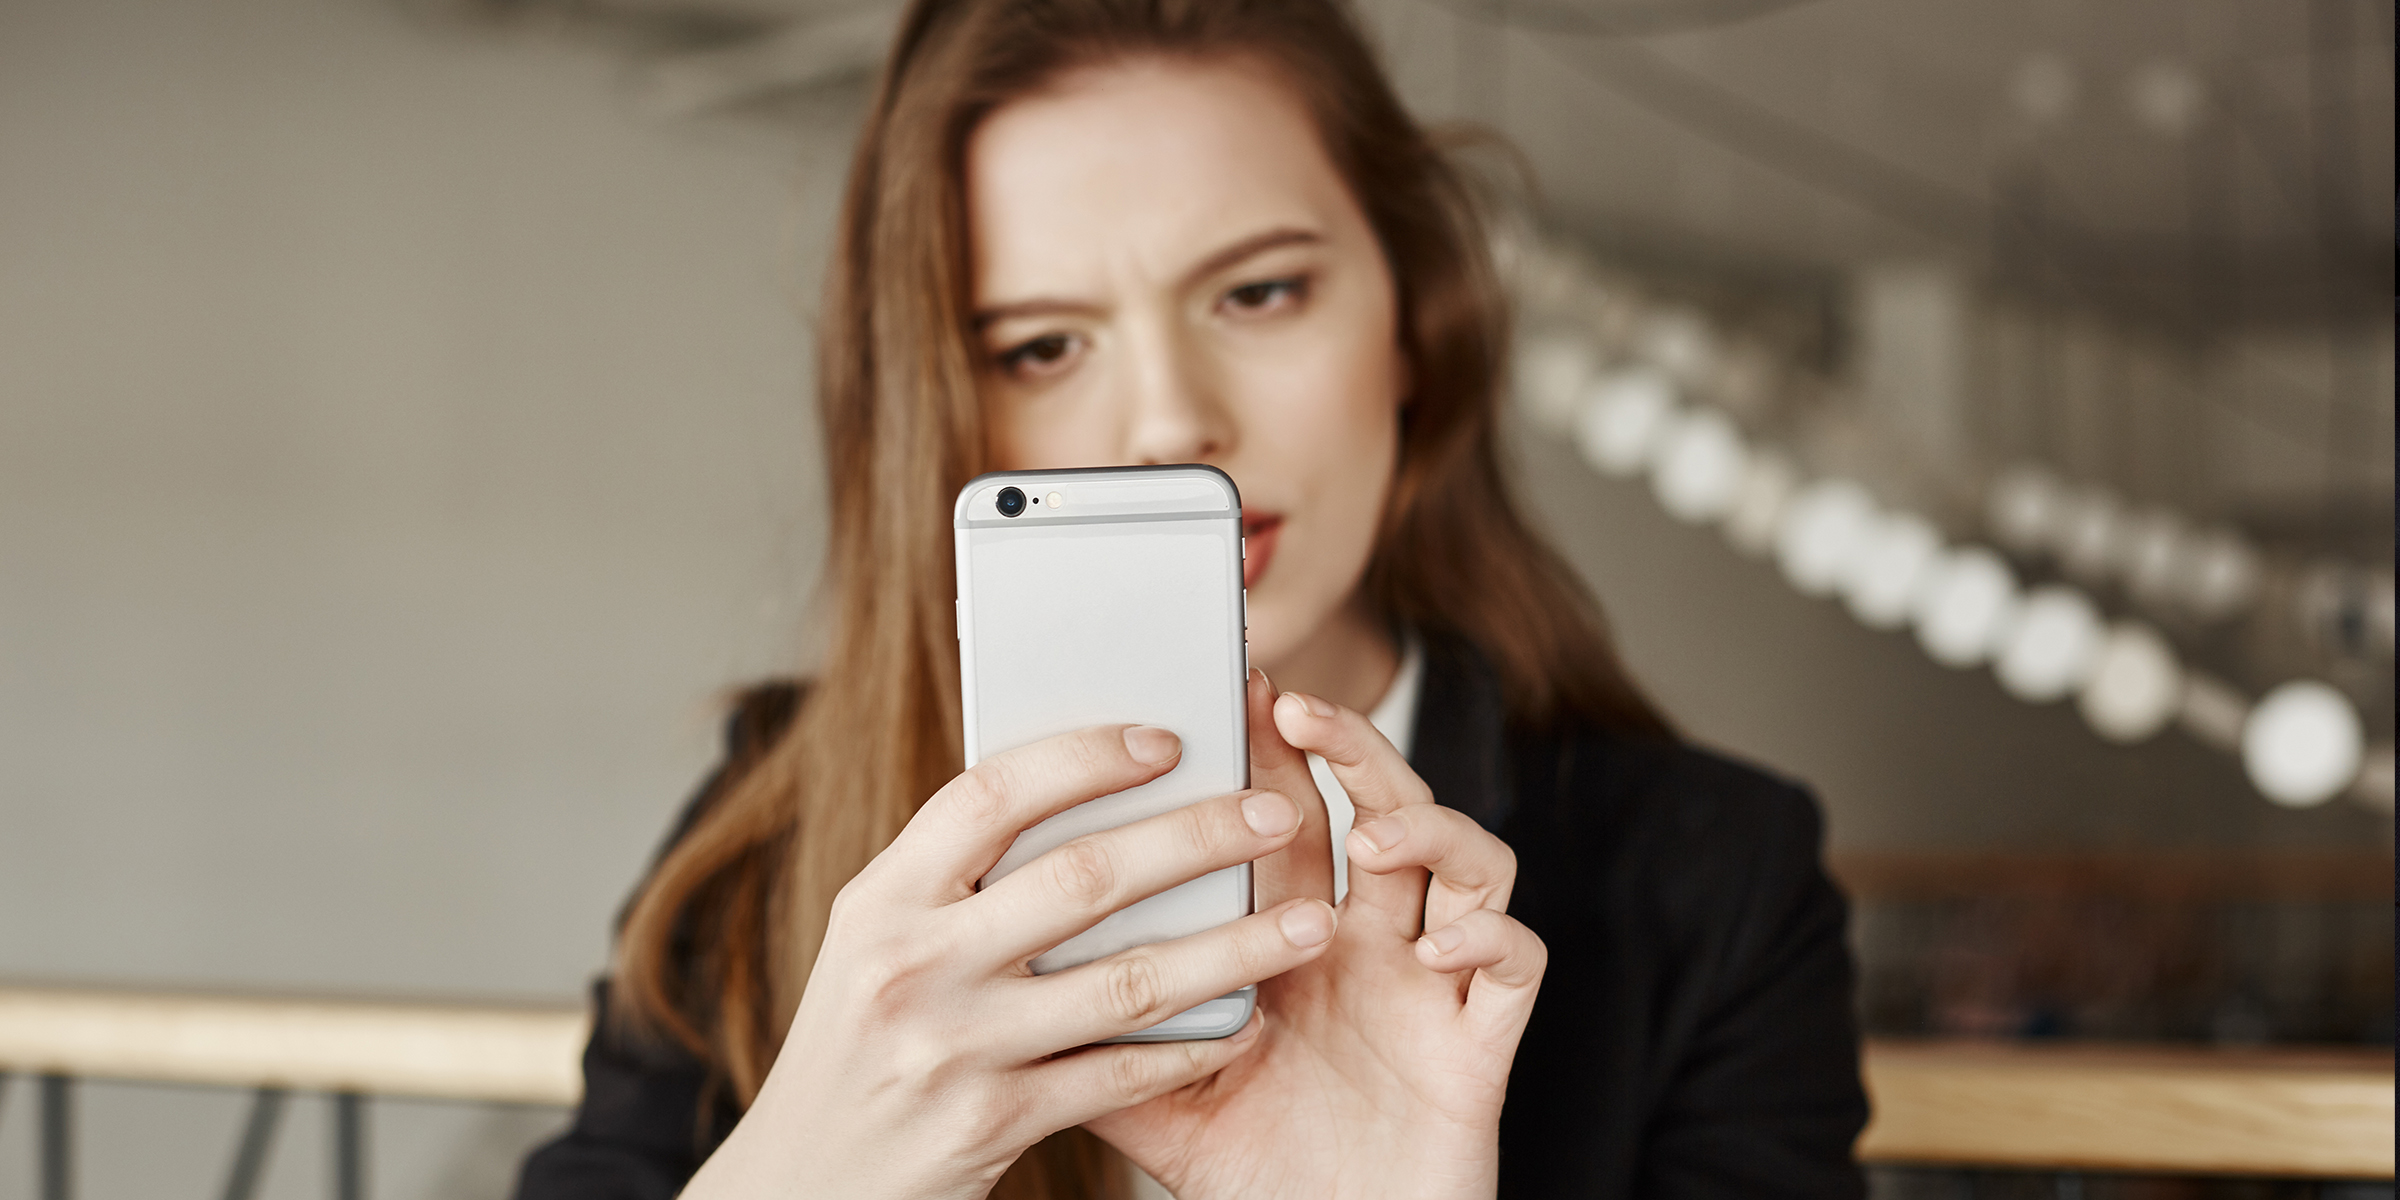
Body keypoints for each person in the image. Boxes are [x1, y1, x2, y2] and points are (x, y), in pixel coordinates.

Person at [515, 0, 1867, 1196]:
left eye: (1261, 292)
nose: (1168, 422)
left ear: (1413, 324)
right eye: (1041, 346)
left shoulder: (1714, 881)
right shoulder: (776, 824)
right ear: (941, 409)